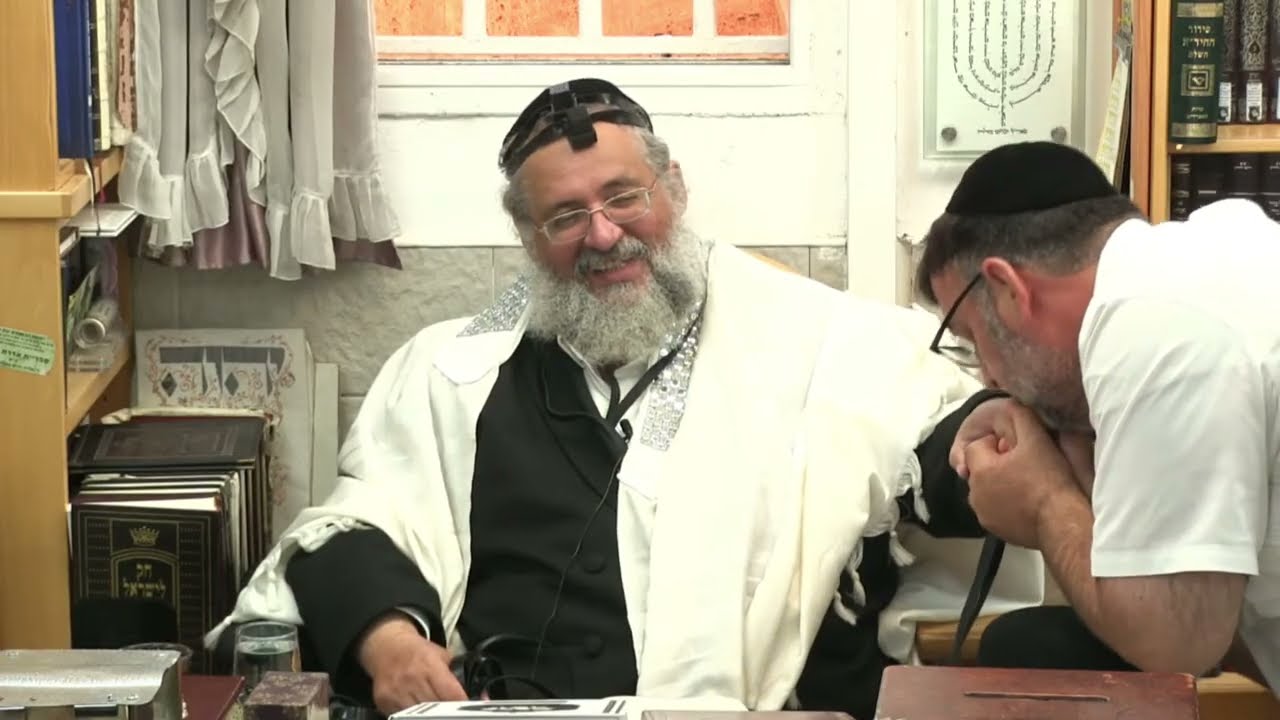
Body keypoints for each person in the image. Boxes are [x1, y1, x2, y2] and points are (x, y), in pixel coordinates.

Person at [204, 78, 1033, 719]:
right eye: (565, 216)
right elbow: (352, 526)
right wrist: (387, 641)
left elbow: (941, 440)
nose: (603, 235)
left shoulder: (819, 339)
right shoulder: (453, 369)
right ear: (528, 238)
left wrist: (998, 438)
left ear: (674, 187)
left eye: (624, 197)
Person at [912, 139, 1280, 695]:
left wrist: (1044, 501)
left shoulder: (1152, 332)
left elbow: (1179, 641)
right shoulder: (1213, 250)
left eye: (972, 338)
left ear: (1008, 289)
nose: (988, 377)